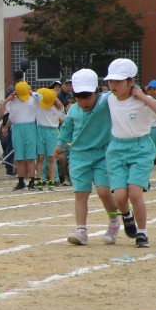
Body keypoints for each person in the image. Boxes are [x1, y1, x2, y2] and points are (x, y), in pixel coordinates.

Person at [104, 58, 156, 247]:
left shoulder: (143, 101)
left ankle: (142, 232)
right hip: (117, 149)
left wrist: (143, 97)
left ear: (131, 81)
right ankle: (127, 215)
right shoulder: (109, 98)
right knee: (120, 196)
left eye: (118, 81)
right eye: (111, 81)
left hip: (140, 148)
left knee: (134, 194)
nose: (113, 85)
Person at [55, 68, 119, 246]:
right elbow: (67, 129)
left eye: (87, 96)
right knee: (81, 193)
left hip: (103, 155)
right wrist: (60, 144)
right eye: (79, 97)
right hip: (79, 156)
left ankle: (114, 222)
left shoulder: (105, 102)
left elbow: (118, 92)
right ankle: (81, 230)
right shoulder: (73, 110)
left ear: (97, 92)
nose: (83, 101)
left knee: (104, 192)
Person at [0, 81, 38, 190]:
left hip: (30, 128)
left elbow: (43, 99)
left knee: (30, 157)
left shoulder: (33, 99)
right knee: (19, 157)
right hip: (17, 129)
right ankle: (21, 182)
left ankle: (32, 182)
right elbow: (0, 114)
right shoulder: (13, 101)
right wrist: (6, 100)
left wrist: (32, 93)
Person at [35, 88, 65, 191]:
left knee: (51, 157)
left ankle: (52, 181)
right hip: (40, 130)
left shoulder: (59, 107)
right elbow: (31, 92)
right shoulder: (40, 99)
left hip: (52, 131)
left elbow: (63, 119)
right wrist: (56, 98)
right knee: (40, 157)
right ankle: (39, 181)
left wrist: (56, 101)